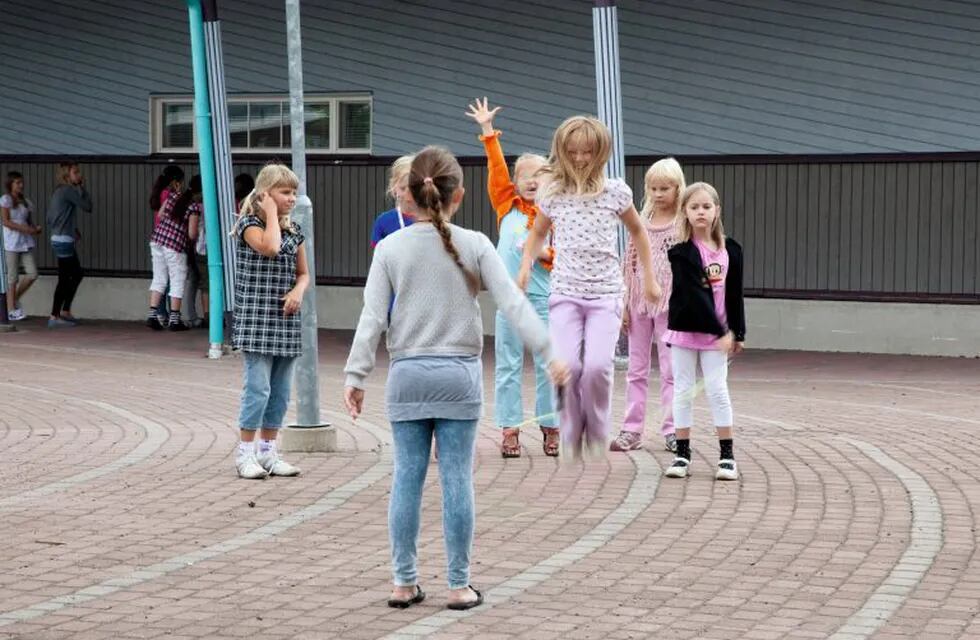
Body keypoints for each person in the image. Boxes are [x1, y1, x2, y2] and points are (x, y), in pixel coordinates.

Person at [343, 146, 568, 611]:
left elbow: (371, 319)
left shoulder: (389, 247)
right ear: (458, 196)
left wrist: (355, 374)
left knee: (406, 478)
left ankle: (403, 583)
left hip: (406, 373)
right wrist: (548, 351)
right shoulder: (476, 244)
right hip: (459, 376)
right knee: (456, 480)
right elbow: (511, 303)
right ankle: (459, 585)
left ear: (408, 195)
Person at [518, 116, 660, 459]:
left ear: (600, 153)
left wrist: (650, 278)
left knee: (596, 366)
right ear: (562, 153)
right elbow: (538, 233)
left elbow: (639, 232)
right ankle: (569, 430)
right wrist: (524, 269)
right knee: (568, 366)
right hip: (565, 291)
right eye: (573, 152)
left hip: (606, 293)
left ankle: (596, 427)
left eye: (587, 152)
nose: (580, 159)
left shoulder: (615, 191)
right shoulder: (553, 194)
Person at [466, 97, 559, 458]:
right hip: (510, 301)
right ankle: (510, 430)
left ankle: (551, 427)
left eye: (540, 176)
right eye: (525, 177)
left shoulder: (556, 214)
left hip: (545, 299)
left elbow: (562, 256)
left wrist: (544, 254)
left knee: (548, 366)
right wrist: (488, 131)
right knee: (507, 366)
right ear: (516, 182)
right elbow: (496, 169)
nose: (533, 182)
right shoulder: (507, 206)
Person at [662, 182, 746, 481]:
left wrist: (737, 331)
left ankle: (727, 456)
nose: (700, 212)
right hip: (687, 333)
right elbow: (695, 295)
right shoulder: (681, 253)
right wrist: (719, 329)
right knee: (683, 390)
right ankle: (682, 454)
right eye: (694, 207)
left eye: (706, 206)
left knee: (717, 390)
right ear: (685, 212)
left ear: (716, 211)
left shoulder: (731, 250)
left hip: (718, 337)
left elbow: (735, 294)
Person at [232, 164, 309, 480]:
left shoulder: (295, 231)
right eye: (285, 192)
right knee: (258, 389)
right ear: (265, 195)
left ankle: (268, 452)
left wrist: (298, 290)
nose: (292, 198)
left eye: (294, 192)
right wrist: (271, 214)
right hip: (256, 321)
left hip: (285, 322)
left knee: (279, 392)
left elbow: (304, 274)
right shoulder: (249, 225)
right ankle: (245, 454)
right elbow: (270, 247)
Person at [612, 158, 686, 453]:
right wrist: (625, 305)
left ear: (678, 188)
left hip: (671, 307)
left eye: (665, 188)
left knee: (671, 370)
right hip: (639, 304)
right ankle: (632, 429)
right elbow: (628, 265)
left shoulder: (682, 226)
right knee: (636, 369)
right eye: (653, 188)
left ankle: (672, 429)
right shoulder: (640, 224)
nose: (658, 194)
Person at [46, 162, 91, 328]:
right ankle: (54, 315)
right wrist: (82, 188)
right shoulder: (68, 190)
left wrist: (72, 229)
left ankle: (64, 311)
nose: (79, 175)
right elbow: (87, 206)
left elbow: (50, 218)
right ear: (67, 175)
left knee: (76, 274)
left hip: (59, 238)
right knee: (64, 278)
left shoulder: (58, 191)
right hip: (64, 240)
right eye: (76, 172)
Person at [146, 180, 193, 331]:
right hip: (174, 244)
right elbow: (192, 234)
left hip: (158, 240)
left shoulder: (173, 196)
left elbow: (160, 214)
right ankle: (174, 319)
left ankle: (152, 316)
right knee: (177, 279)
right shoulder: (193, 206)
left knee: (159, 278)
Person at [1, 171, 41, 320]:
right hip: (11, 242)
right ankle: (11, 309)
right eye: (17, 183)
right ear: (10, 184)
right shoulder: (6, 200)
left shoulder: (26, 202)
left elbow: (29, 221)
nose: (20, 185)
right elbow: (6, 221)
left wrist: (34, 229)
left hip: (25, 242)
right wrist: (24, 229)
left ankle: (12, 300)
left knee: (32, 273)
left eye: (21, 182)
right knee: (12, 276)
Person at [370, 155, 415, 246]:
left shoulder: (431, 220)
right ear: (393, 187)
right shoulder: (383, 221)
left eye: (413, 188)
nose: (408, 194)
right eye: (403, 188)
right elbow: (379, 257)